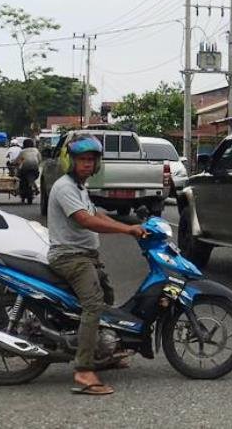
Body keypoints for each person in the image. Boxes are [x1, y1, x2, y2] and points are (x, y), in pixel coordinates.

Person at [46, 134, 147, 396]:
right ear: (71, 161)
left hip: (85, 256)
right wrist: (127, 230)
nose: (88, 164)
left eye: (91, 160)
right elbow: (85, 220)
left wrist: (135, 226)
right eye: (82, 160)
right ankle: (83, 370)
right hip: (70, 256)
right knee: (93, 305)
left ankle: (104, 354)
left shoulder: (79, 187)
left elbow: (94, 213)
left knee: (108, 298)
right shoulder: (65, 187)